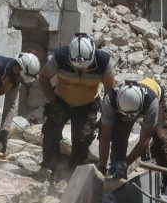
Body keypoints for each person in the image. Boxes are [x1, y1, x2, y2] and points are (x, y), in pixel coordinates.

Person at [40, 33, 115, 181]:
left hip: (88, 104)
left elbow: (109, 92)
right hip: (61, 101)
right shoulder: (59, 57)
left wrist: (105, 118)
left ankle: (73, 176)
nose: (80, 70)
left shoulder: (104, 62)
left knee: (83, 139)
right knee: (51, 132)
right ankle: (49, 169)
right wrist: (53, 102)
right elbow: (43, 78)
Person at [98, 78, 167, 185]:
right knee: (119, 141)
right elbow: (105, 136)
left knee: (160, 138)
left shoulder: (151, 102)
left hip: (151, 99)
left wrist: (126, 163)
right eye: (126, 116)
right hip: (126, 108)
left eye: (132, 116)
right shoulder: (110, 100)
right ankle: (119, 182)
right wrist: (102, 166)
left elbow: (144, 140)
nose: (130, 118)